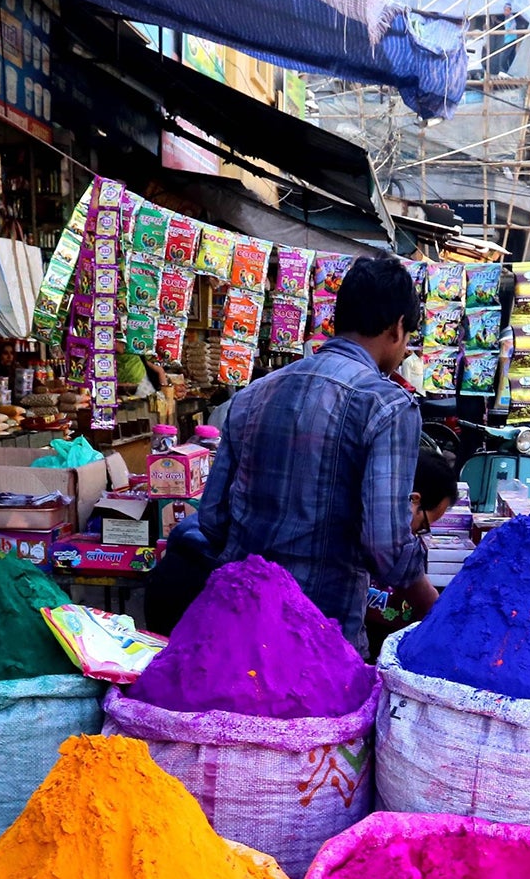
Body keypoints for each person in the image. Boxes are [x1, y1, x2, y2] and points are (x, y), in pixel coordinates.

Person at [196, 253, 435, 651]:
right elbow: (385, 546)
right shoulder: (386, 405)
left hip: (233, 633)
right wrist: (434, 605)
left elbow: (212, 519)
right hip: (318, 641)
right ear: (397, 328)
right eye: (408, 336)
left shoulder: (252, 395)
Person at [366, 435, 464, 659]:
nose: (418, 534)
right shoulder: (396, 548)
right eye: (424, 524)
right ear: (414, 501)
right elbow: (429, 605)